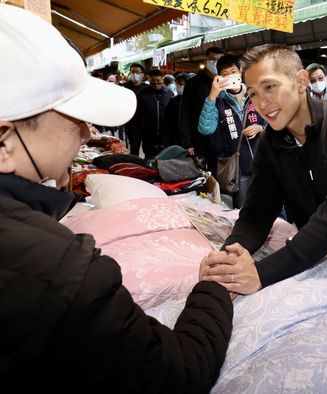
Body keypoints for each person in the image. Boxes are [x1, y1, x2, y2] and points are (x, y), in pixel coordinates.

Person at [0, 5, 233, 391]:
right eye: (75, 119)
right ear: (4, 141)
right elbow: (178, 372)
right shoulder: (55, 265)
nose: (88, 134)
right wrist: (213, 286)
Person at [200, 44, 327, 297]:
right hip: (320, 253)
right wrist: (228, 257)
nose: (262, 103)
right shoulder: (271, 142)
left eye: (270, 87)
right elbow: (257, 211)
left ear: (300, 81)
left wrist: (261, 274)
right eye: (253, 94)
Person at [197, 54, 266, 207]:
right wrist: (212, 95)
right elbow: (205, 129)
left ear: (241, 71)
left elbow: (274, 120)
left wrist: (261, 127)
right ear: (218, 77)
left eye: (233, 72)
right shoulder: (217, 100)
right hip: (238, 167)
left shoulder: (255, 93)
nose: (230, 77)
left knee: (268, 205)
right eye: (225, 75)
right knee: (243, 208)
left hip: (264, 161)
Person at [179, 47, 225, 163]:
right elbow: (184, 113)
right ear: (206, 61)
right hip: (199, 141)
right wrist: (187, 143)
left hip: (223, 141)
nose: (215, 63)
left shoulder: (226, 83)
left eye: (219, 60)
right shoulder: (192, 83)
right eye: (212, 60)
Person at [135, 69, 174, 158]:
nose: (156, 84)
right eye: (153, 81)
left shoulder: (169, 94)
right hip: (148, 136)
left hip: (166, 136)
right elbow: (138, 115)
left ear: (163, 80)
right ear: (149, 80)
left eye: (158, 81)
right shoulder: (142, 94)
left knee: (166, 161)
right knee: (150, 160)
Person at [122, 62, 148, 155]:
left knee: (147, 148)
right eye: (132, 72)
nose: (134, 75)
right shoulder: (125, 87)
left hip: (146, 123)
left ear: (143, 74)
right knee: (134, 146)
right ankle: (134, 165)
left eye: (137, 72)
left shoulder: (147, 88)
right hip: (131, 122)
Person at [162, 72, 189, 148]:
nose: (178, 87)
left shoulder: (195, 100)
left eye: (181, 84)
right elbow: (166, 121)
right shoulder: (173, 100)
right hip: (175, 138)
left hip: (190, 140)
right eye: (177, 84)